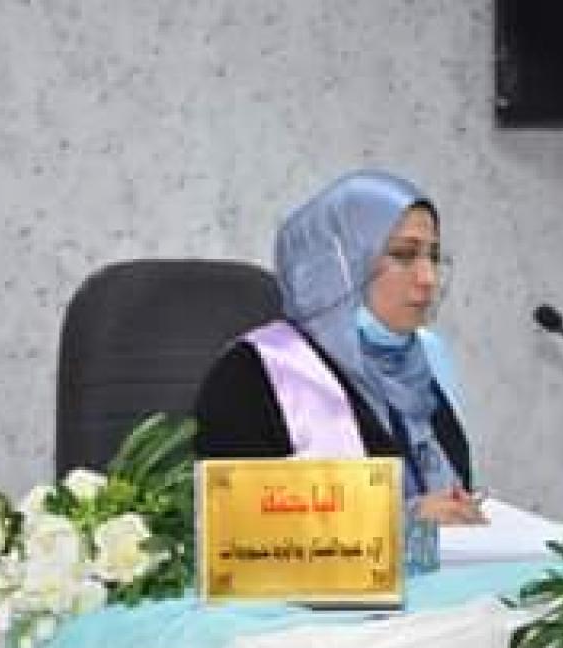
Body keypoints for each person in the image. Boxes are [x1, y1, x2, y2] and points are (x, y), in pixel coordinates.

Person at [194, 169, 484, 548]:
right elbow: (233, 529)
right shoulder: (254, 373)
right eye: (404, 255)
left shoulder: (423, 363)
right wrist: (401, 525)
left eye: (433, 256)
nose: (428, 277)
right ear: (339, 263)